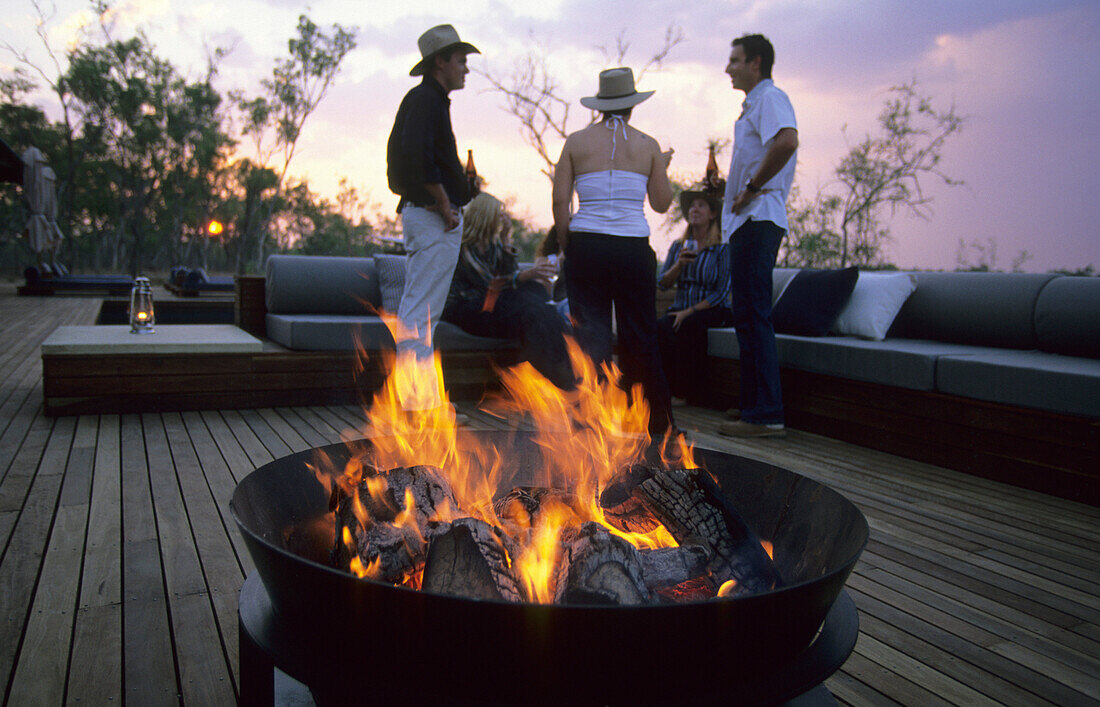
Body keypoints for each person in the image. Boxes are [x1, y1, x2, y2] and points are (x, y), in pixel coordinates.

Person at [552, 67, 676, 438]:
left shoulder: (575, 142)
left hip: (587, 245)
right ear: (632, 106)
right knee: (642, 336)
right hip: (632, 250)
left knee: (591, 338)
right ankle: (658, 424)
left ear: (601, 106)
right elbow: (661, 203)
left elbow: (560, 202)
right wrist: (661, 168)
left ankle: (592, 425)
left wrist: (567, 245)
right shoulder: (648, 145)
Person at [386, 24, 479, 415]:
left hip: (431, 215)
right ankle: (414, 401)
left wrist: (462, 185)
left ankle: (419, 397)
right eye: (461, 61)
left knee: (424, 311)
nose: (466, 70)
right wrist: (444, 204)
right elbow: (415, 158)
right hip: (430, 216)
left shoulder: (431, 101)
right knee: (419, 311)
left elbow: (424, 157)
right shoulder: (426, 100)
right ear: (440, 61)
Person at [717, 34, 799, 438]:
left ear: (756, 62)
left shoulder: (770, 97)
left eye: (734, 60)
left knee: (754, 314)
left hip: (759, 217)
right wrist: (732, 189)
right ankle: (753, 406)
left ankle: (766, 414)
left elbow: (787, 141)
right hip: (745, 221)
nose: (728, 67)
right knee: (744, 315)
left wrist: (750, 189)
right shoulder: (752, 105)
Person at [442, 193, 574, 389]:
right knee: (530, 309)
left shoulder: (494, 245)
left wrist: (505, 239)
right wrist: (527, 274)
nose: (503, 217)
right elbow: (489, 282)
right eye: (500, 213)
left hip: (492, 301)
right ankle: (561, 377)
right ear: (486, 215)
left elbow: (510, 276)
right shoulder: (462, 247)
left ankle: (568, 360)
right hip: (467, 307)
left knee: (535, 294)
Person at [657, 187, 732, 406]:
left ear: (713, 213)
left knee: (689, 325)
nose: (694, 209)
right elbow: (662, 284)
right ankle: (664, 389)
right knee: (660, 327)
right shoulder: (678, 246)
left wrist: (689, 311)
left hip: (711, 310)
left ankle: (685, 393)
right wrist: (678, 265)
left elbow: (721, 292)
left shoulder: (721, 249)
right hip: (680, 308)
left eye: (701, 205)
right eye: (692, 205)